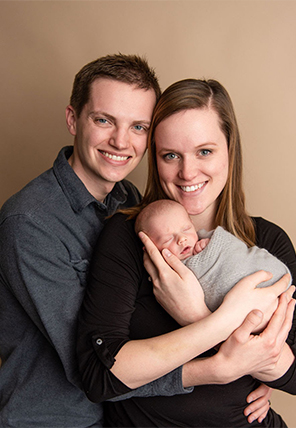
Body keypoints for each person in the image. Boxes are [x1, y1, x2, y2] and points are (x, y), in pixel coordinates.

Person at [77, 78, 296, 427]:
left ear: (230, 149)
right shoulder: (130, 236)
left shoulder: (267, 240)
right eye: (170, 155)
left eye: (205, 151)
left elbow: (295, 375)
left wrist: (196, 315)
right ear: (155, 158)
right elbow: (99, 376)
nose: (187, 173)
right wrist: (220, 348)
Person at [0, 54, 171, 425]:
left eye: (138, 127)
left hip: (122, 417)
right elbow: (95, 364)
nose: (121, 141)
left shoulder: (131, 203)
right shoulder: (28, 222)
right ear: (73, 120)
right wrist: (218, 370)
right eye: (104, 120)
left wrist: (248, 369)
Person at [135, 199, 290, 314]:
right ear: (151, 248)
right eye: (168, 239)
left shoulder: (272, 236)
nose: (182, 239)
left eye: (186, 229)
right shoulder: (163, 276)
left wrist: (209, 246)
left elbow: (229, 252)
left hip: (267, 278)